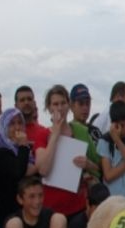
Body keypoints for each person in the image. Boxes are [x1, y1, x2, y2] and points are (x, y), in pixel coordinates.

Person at [35, 85, 100, 217]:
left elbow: (99, 167)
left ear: (68, 105)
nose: (59, 108)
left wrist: (88, 164)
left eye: (63, 103)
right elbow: (43, 169)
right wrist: (55, 135)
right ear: (49, 107)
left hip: (78, 205)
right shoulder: (42, 134)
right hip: (52, 207)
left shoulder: (81, 131)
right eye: (55, 104)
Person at [0, 108, 37, 226]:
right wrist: (23, 145)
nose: (17, 127)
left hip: (29, 211)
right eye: (12, 124)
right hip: (11, 213)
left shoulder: (26, 151)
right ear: (4, 128)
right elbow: (19, 171)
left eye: (19, 123)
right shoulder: (2, 153)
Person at [97, 101, 125, 201]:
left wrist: (118, 141)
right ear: (114, 125)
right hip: (113, 200)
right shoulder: (104, 141)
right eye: (122, 125)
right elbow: (108, 176)